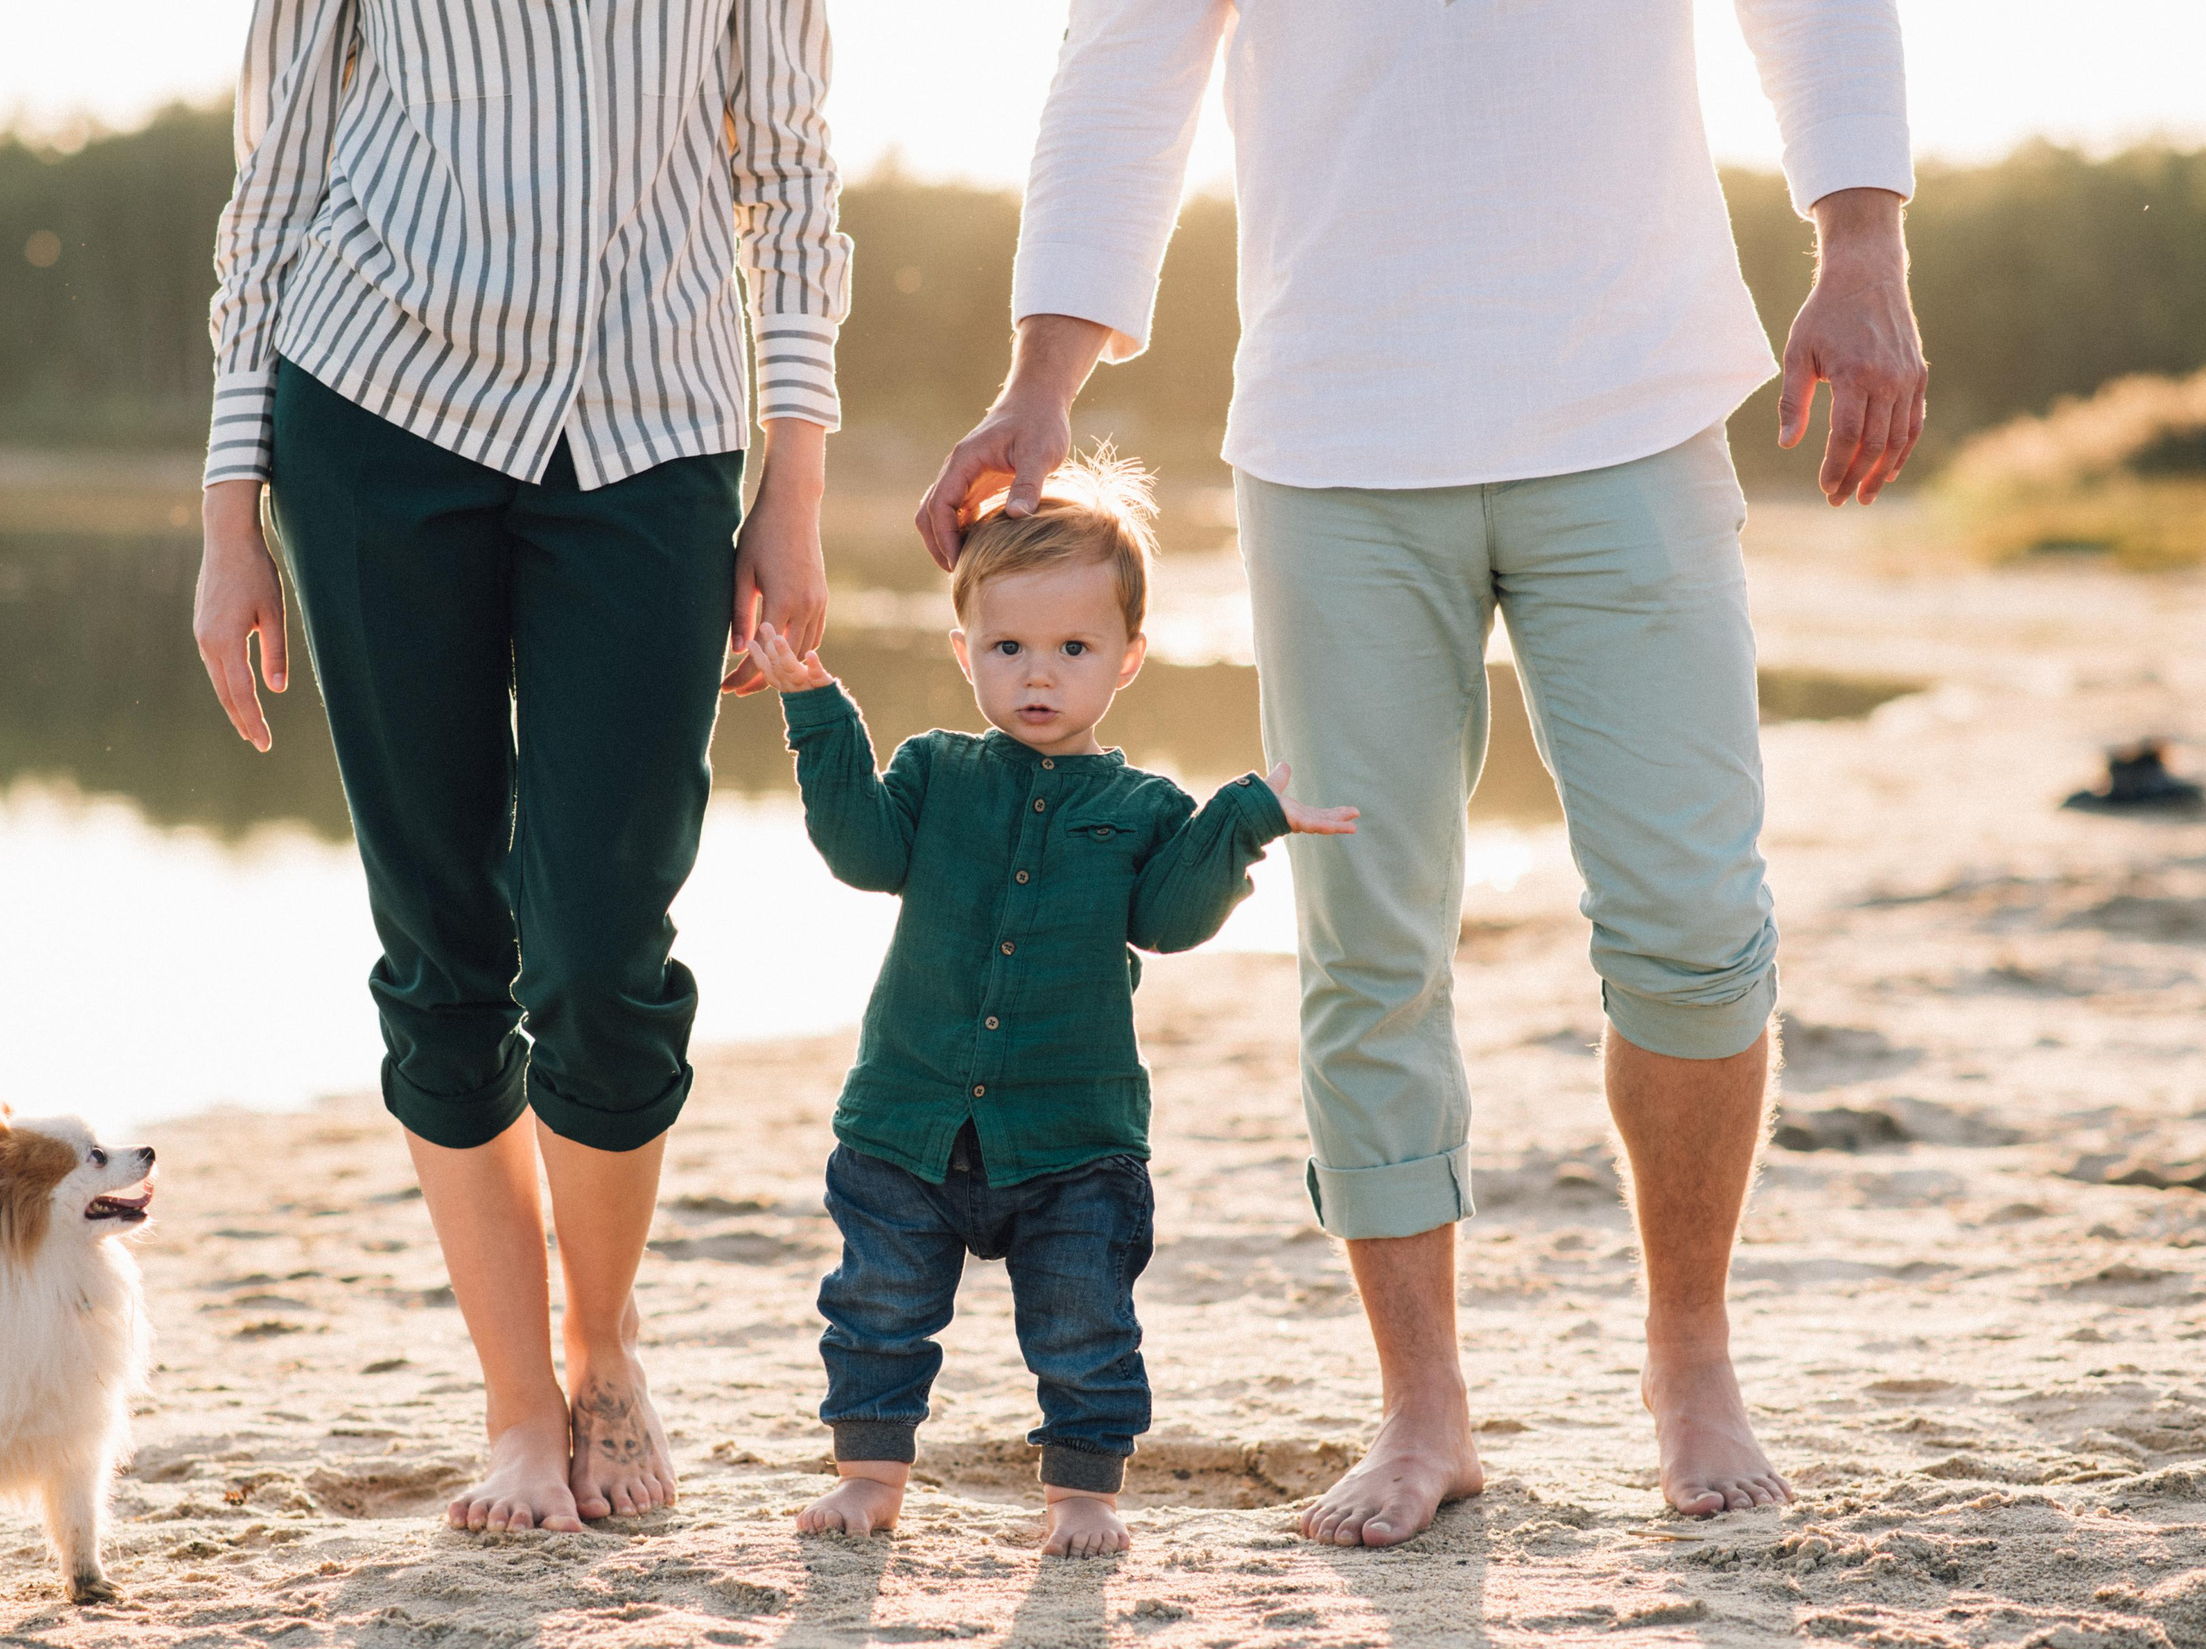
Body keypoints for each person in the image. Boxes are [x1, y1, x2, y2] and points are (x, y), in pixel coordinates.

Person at [920, 0, 1929, 1546]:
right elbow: (1122, 57)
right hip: (1338, 426)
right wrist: (1042, 374)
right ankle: (1423, 1408)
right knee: (1367, 943)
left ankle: (1691, 1359)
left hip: (1633, 393)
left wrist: (1861, 245)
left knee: (1692, 917)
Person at [189, 0, 852, 1534]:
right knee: (439, 933)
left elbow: (794, 171)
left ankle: (602, 1336)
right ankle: (513, 1403)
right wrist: (232, 512)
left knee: (607, 941)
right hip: (374, 408)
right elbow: (274, 182)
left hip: (653, 426)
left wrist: (794, 471)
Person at [744, 458, 1357, 1556]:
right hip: (907, 1121)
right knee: (877, 1309)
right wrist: (814, 711)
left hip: (1073, 1142)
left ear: (1124, 660)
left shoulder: (1141, 807)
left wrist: (1247, 817)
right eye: (1008, 648)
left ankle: (1082, 1496)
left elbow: (1171, 921)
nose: (1039, 675)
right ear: (964, 651)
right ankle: (870, 1477)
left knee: (1083, 1326)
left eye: (1073, 650)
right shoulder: (934, 773)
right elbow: (859, 850)